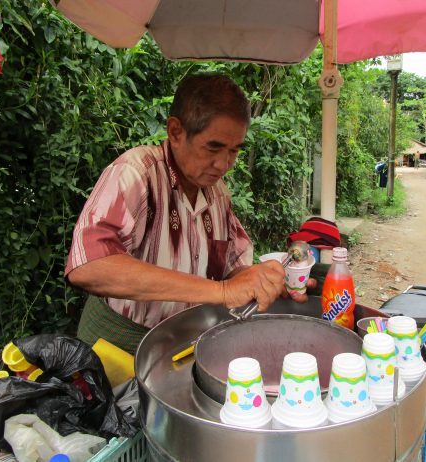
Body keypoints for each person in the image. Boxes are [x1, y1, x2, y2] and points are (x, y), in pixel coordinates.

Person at [65, 74, 314, 354]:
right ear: (175, 132)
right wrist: (222, 292)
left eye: (234, 151)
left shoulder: (217, 193)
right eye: (213, 147)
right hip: (115, 351)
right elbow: (87, 266)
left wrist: (264, 281)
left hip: (181, 346)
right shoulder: (136, 173)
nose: (223, 164)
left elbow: (233, 267)